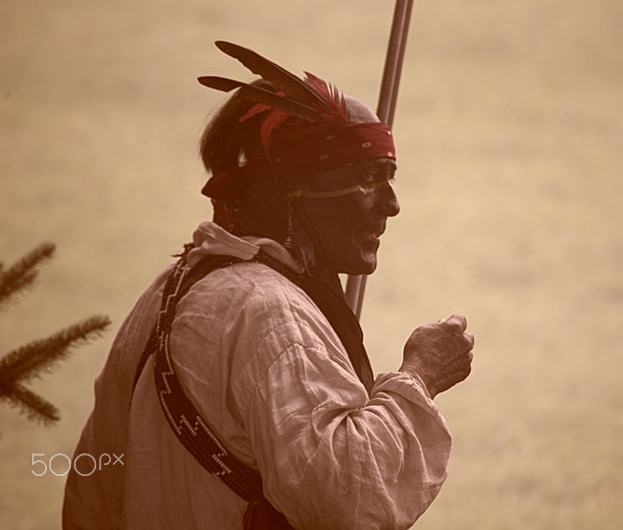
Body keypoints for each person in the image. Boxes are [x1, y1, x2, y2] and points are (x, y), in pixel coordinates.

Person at [62, 41, 475, 530]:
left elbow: (93, 490)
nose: (391, 204)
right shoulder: (273, 318)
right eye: (368, 176)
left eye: (390, 177)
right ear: (289, 189)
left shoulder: (171, 287)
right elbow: (346, 497)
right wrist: (419, 376)